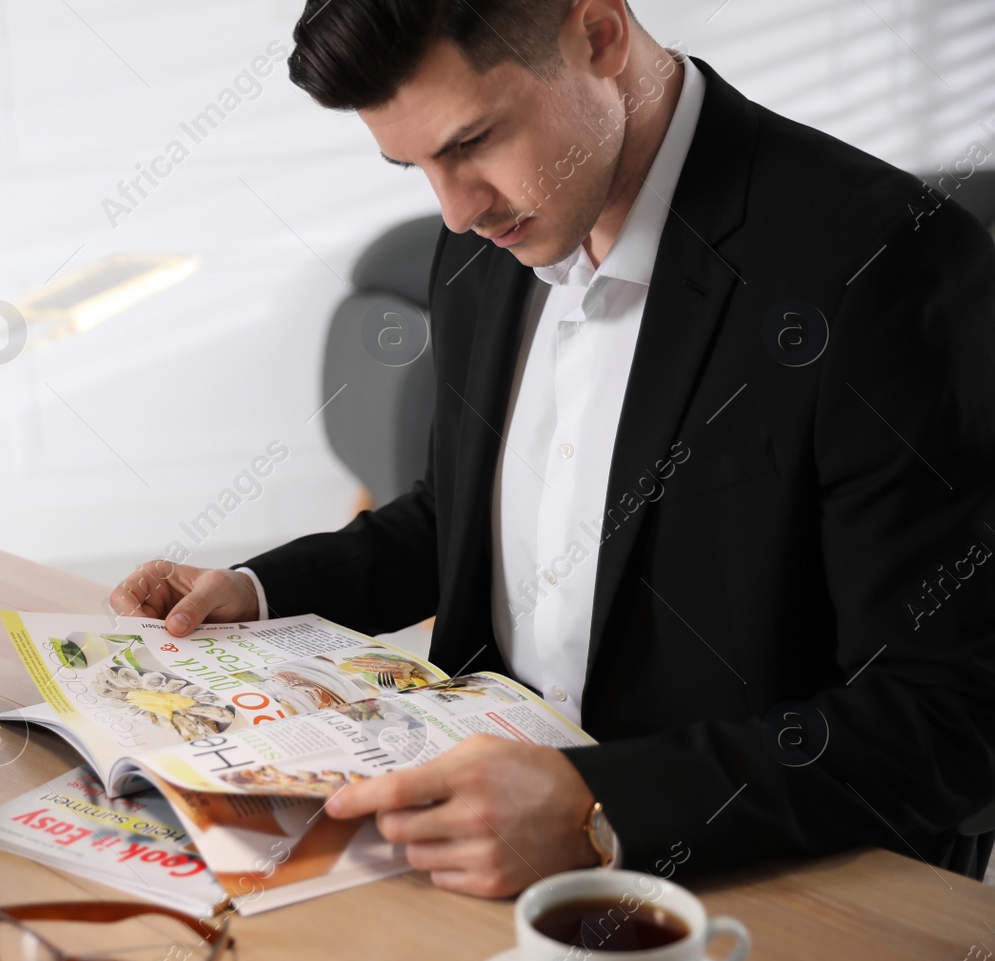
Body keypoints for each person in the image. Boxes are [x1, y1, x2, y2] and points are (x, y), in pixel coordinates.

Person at [110, 0, 995, 896]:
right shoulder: (485, 246)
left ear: (599, 34)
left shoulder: (885, 264)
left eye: (471, 142)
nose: (455, 210)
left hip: (758, 893)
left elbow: (954, 710)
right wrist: (260, 593)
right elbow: (461, 515)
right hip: (466, 858)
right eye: (413, 165)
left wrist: (599, 809)